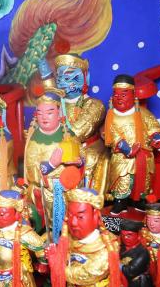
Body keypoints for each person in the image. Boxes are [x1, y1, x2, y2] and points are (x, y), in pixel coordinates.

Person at [47, 187, 127, 287]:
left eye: (80, 216)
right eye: (70, 216)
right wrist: (55, 256)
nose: (73, 222)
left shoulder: (107, 247)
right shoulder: (69, 240)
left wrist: (56, 266)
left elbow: (87, 274)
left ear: (96, 216)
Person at [39, 52, 108, 194]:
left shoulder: (95, 105)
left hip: (85, 148)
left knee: (87, 159)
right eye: (60, 78)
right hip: (57, 146)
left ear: (86, 77)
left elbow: (77, 133)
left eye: (69, 77)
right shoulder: (56, 104)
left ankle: (84, 198)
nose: (63, 82)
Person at [103, 74, 160, 214]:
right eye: (116, 95)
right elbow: (110, 135)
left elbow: (154, 127)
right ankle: (120, 203)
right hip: (122, 157)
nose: (119, 98)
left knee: (143, 180)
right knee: (123, 179)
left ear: (133, 95)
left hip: (143, 154)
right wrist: (127, 149)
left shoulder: (143, 113)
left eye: (123, 94)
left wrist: (157, 139)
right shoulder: (111, 115)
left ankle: (140, 202)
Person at [24, 90, 82, 242]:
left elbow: (83, 157)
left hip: (69, 186)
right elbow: (31, 169)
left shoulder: (68, 134)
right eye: (40, 113)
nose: (44, 117)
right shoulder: (34, 139)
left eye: (49, 113)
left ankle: (68, 237)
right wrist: (51, 165)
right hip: (45, 188)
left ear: (59, 113)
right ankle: (50, 237)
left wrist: (78, 162)